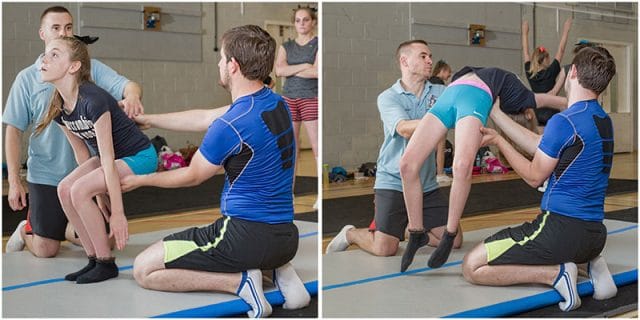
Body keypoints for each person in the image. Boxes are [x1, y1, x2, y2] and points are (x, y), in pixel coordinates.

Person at [121, 25, 310, 318]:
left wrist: (139, 179)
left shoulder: (232, 124)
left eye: (222, 59)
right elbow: (206, 117)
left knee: (144, 269)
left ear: (233, 66)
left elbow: (192, 175)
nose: (219, 64)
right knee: (259, 246)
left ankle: (240, 282)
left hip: (242, 237)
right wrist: (150, 120)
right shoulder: (277, 103)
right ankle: (281, 272)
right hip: (286, 238)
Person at [462, 46, 618, 312]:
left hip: (559, 231)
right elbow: (543, 144)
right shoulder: (602, 119)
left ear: (573, 73)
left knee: (472, 266)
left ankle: (556, 274)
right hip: (594, 234)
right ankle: (591, 263)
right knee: (571, 242)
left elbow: (535, 177)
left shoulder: (564, 120)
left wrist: (502, 143)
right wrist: (497, 118)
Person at [3, 6, 144, 258]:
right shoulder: (27, 79)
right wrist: (14, 180)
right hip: (46, 175)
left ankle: (66, 227)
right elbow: (13, 131)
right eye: (55, 28)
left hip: (85, 171)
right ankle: (27, 230)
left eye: (68, 27)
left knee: (108, 241)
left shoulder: (88, 68)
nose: (63, 32)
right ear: (42, 33)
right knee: (46, 250)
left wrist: (132, 97)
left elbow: (128, 86)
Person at [398, 66, 568, 272]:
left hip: (475, 97)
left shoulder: (518, 100)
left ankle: (449, 234)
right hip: (450, 93)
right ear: (529, 116)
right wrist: (582, 104)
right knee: (407, 165)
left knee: (461, 165)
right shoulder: (524, 98)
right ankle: (416, 232)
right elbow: (553, 100)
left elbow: (551, 101)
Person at [325, 40, 463, 260]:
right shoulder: (388, 97)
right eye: (423, 56)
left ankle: (413, 232)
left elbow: (460, 112)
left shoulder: (440, 92)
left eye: (430, 56)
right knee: (385, 249)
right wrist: (441, 119)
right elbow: (404, 129)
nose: (430, 60)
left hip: (426, 183)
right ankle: (351, 233)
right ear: (404, 61)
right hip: (392, 180)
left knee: (454, 241)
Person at [35, 36, 157, 284]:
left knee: (79, 190)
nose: (44, 59)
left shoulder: (93, 99)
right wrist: (99, 197)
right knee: (65, 188)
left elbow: (108, 158)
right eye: (45, 54)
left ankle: (106, 262)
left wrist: (118, 212)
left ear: (74, 66)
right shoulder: (58, 106)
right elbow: (83, 155)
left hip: (139, 156)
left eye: (55, 55)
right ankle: (92, 259)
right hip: (108, 161)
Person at [275, 6, 318, 210]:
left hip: (311, 98)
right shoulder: (286, 46)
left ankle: (319, 194)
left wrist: (291, 70)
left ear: (313, 22)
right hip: (289, 98)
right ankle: (287, 194)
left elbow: (317, 72)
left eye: (306, 20)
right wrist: (304, 66)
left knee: (317, 148)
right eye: (298, 20)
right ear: (294, 23)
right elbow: (279, 70)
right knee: (291, 148)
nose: (302, 23)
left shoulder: (318, 44)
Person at [521, 18, 572, 93]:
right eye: (548, 57)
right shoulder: (550, 72)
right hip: (551, 103)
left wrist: (524, 33)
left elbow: (526, 52)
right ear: (545, 59)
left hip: (537, 103)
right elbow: (561, 50)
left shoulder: (530, 72)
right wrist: (566, 30)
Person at [428, 59, 453, 185]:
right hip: (439, 119)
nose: (449, 75)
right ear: (442, 70)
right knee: (441, 146)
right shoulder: (442, 87)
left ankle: (428, 173)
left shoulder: (426, 83)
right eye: (448, 72)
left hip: (426, 119)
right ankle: (440, 173)